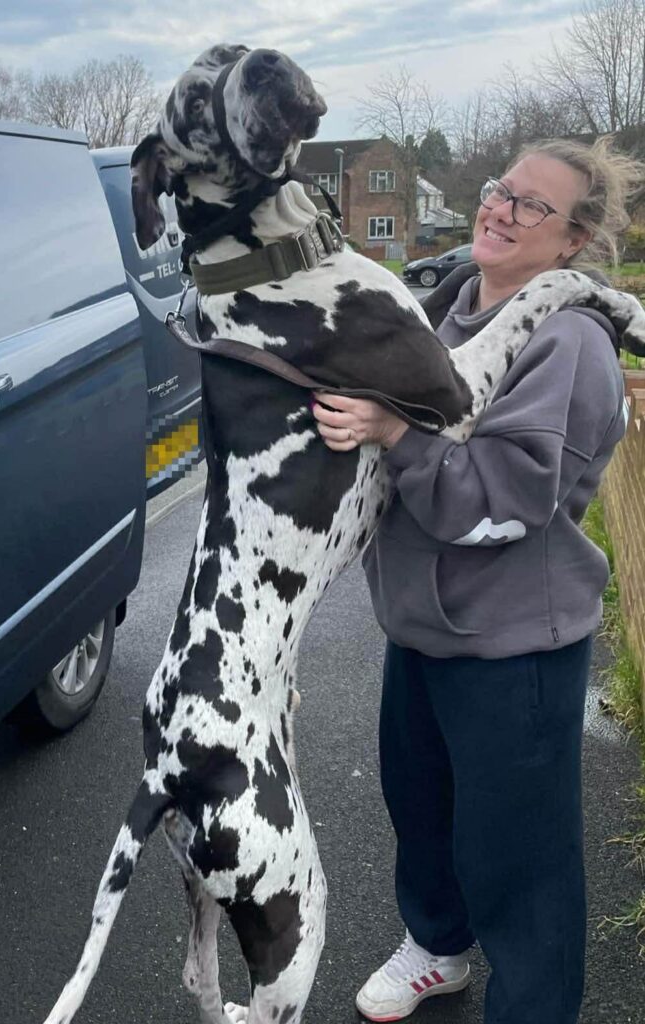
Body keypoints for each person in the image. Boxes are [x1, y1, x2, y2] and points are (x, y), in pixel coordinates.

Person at [312, 136, 644, 1024]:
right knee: (420, 810)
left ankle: (532, 1007)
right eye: (502, 191)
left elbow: (499, 503)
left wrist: (393, 432)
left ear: (572, 241)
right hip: (419, 630)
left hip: (513, 649)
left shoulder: (569, 344)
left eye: (532, 206)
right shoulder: (443, 310)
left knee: (520, 857)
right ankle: (436, 948)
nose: (499, 210)